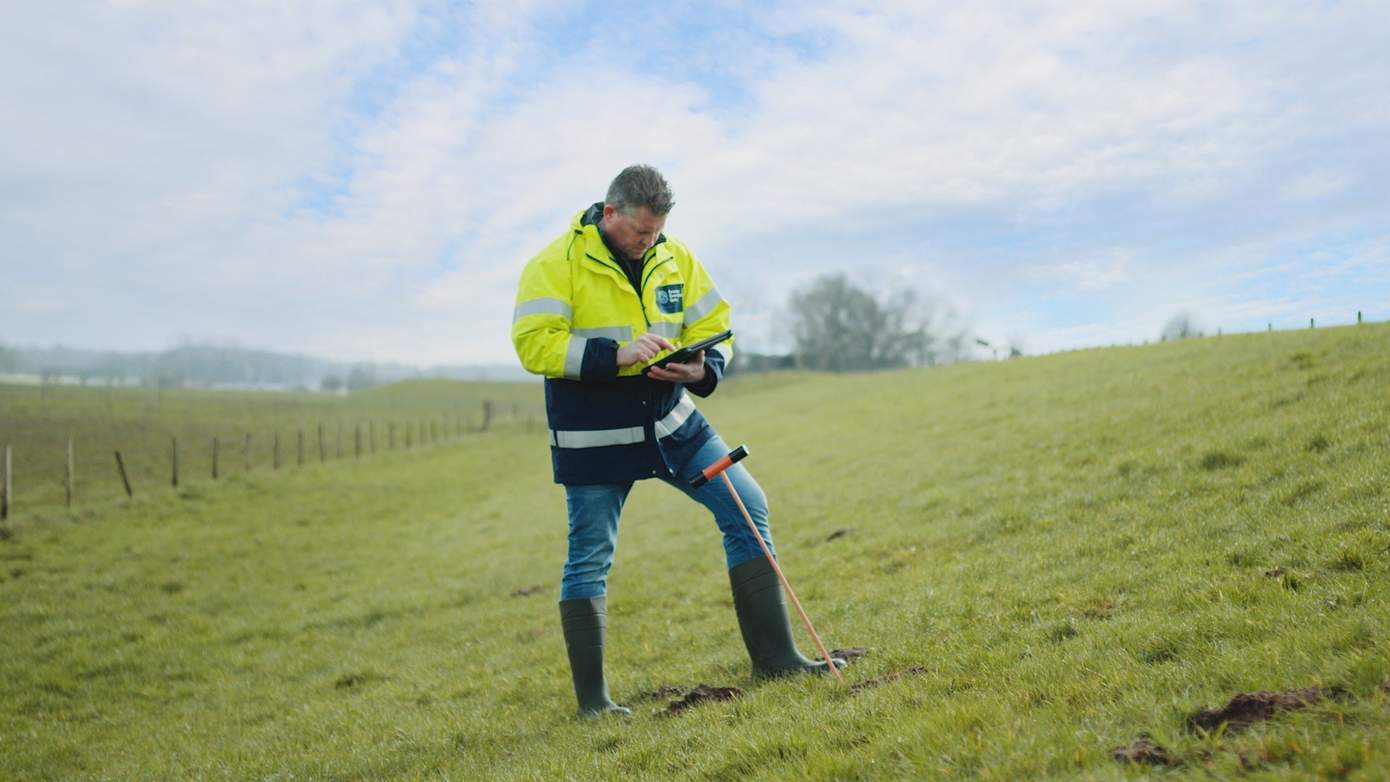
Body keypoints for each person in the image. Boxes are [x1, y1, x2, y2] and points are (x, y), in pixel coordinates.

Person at [511, 164, 846, 717]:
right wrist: (613, 356)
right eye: (639, 232)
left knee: (748, 507)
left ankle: (777, 659)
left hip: (675, 423)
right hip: (597, 439)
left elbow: (714, 322)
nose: (648, 243)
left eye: (656, 233)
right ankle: (594, 704)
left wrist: (701, 369)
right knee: (589, 559)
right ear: (609, 212)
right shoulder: (553, 264)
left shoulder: (675, 255)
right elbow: (533, 344)